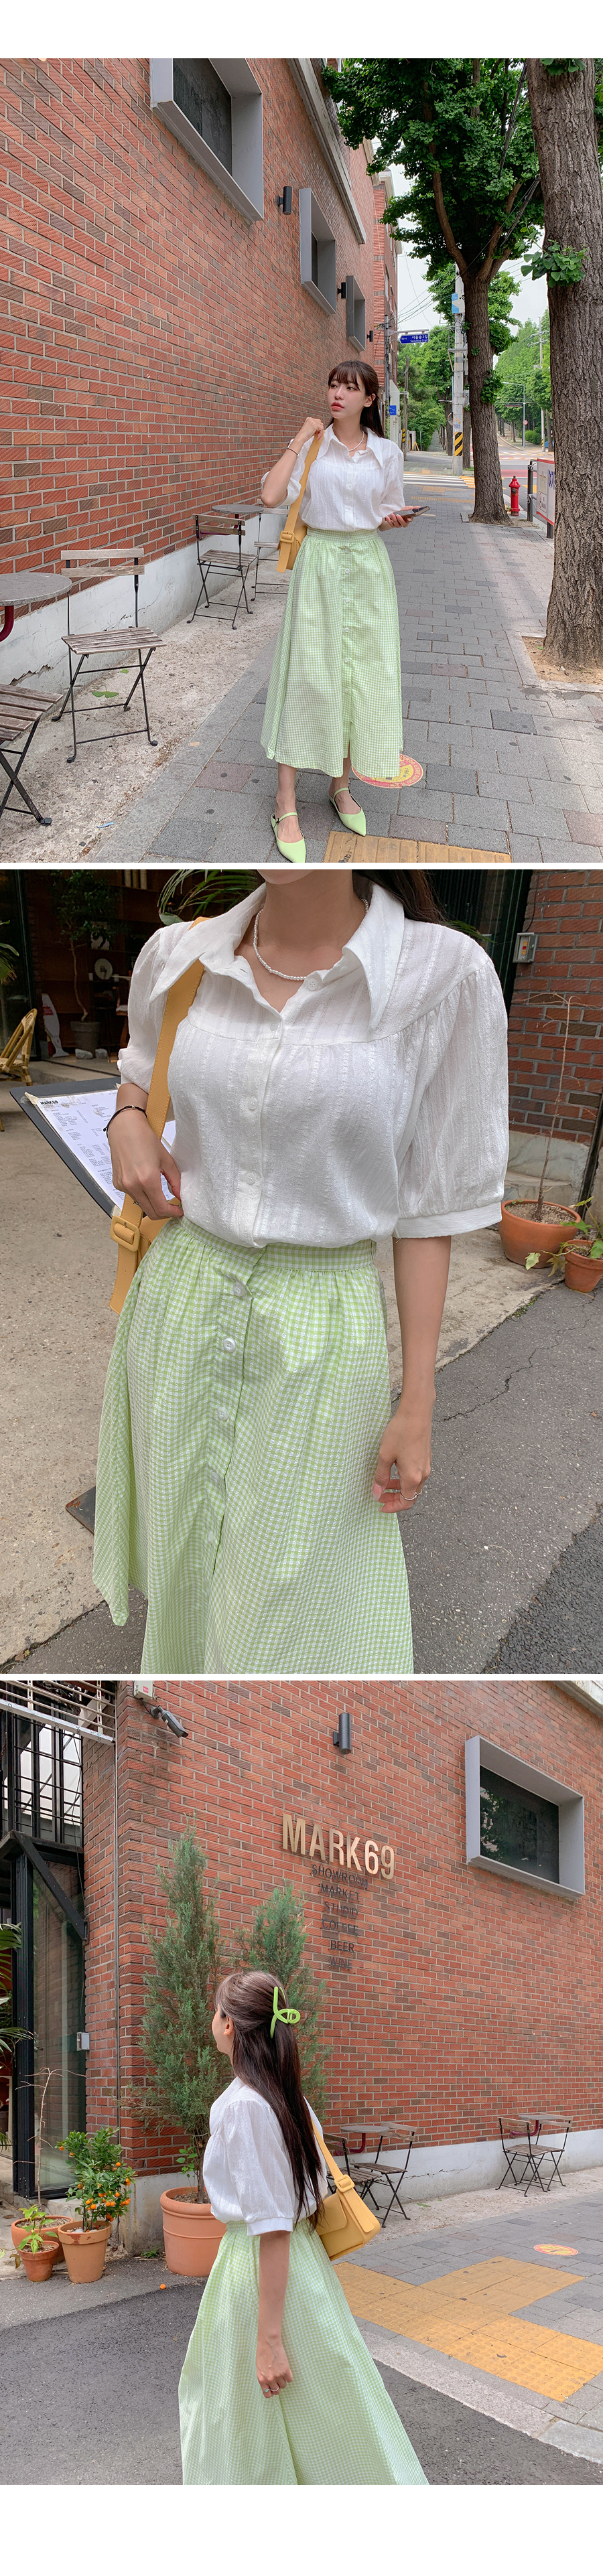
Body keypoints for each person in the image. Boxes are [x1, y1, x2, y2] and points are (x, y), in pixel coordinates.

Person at [92, 868, 509, 1675]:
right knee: (183, 1565)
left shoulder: (443, 976)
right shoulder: (181, 955)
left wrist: (418, 1398)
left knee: (286, 1603)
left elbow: (428, 1213)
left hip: (323, 1321)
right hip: (182, 1294)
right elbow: (139, 1065)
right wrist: (127, 1116)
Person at [178, 1970, 428, 2486]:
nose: (212, 2022)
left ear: (229, 2025)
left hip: (261, 2267)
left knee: (250, 2415)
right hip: (301, 2267)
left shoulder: (245, 2106)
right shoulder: (283, 2095)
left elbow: (272, 2227)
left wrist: (269, 2339)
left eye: (216, 2012)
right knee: (331, 2404)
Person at [260, 361, 416, 861]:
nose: (338, 394)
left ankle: (340, 785)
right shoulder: (313, 446)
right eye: (333, 385)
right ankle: (285, 801)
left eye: (350, 388)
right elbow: (270, 495)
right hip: (320, 565)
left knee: (360, 677)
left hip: (369, 566)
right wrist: (298, 438)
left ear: (369, 399)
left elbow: (386, 512)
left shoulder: (387, 453)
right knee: (309, 675)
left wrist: (393, 521)